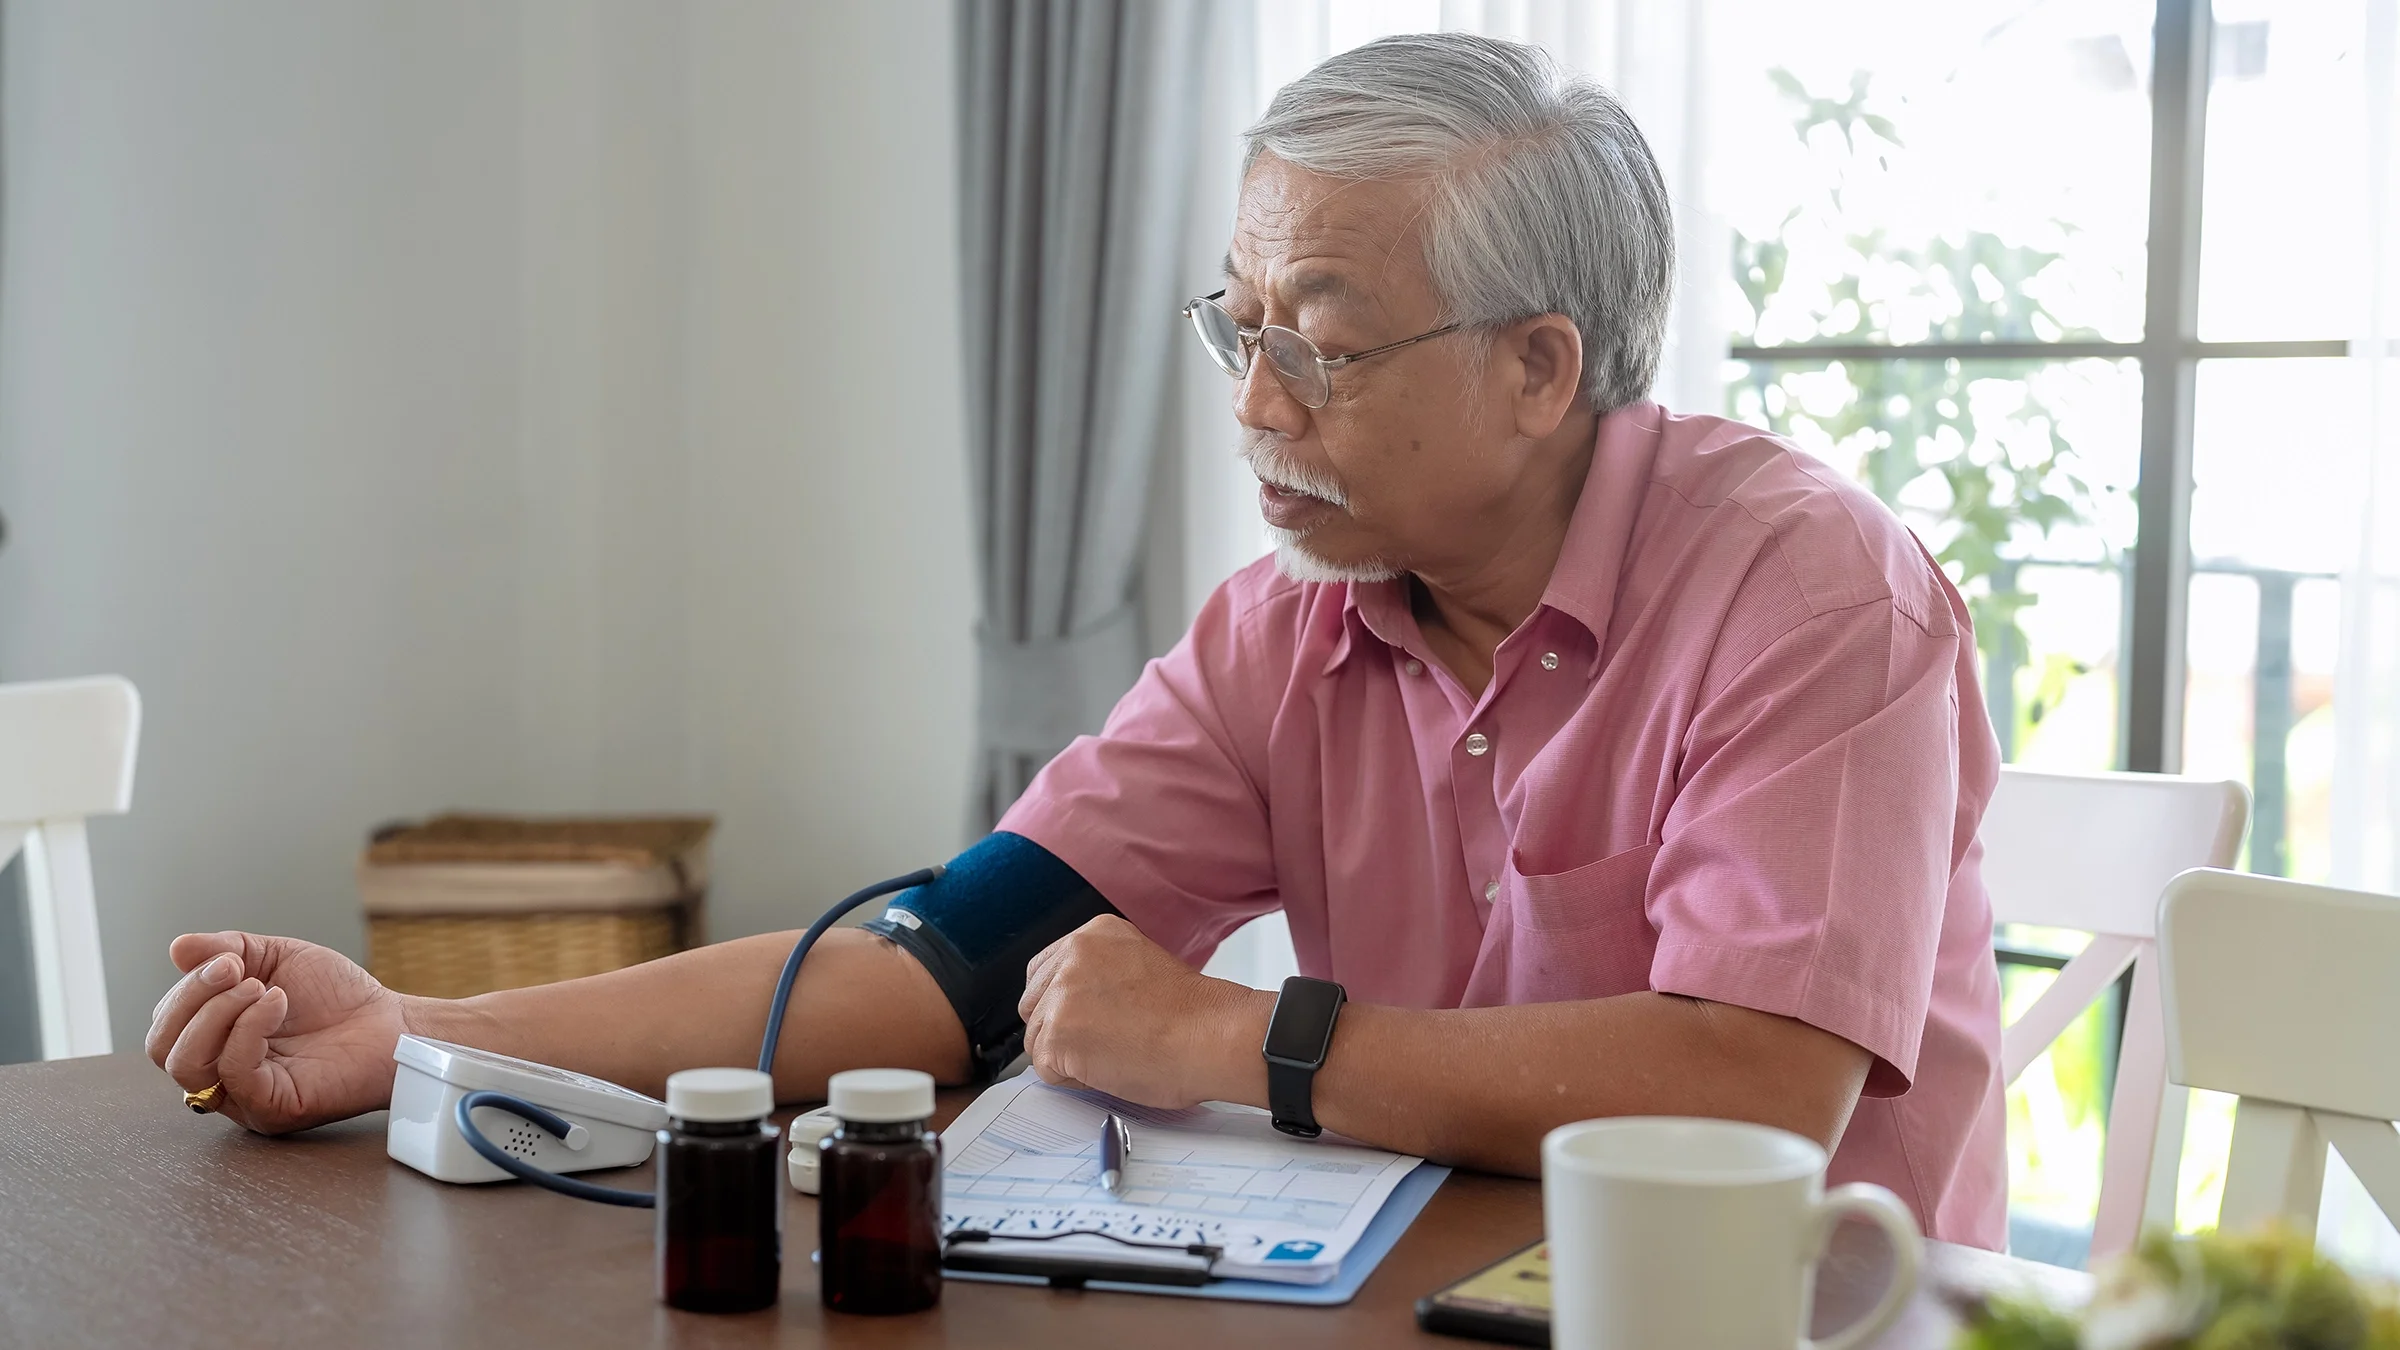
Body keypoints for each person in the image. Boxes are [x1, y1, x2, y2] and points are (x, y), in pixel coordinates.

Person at [145, 32, 2006, 1248]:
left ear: (1540, 367)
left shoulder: (1808, 593)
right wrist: (424, 1034)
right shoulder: (1288, 627)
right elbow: (940, 964)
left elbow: (1755, 1089)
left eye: (1320, 342)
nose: (1256, 401)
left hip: (1802, 1307)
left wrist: (1252, 1040)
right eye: (1239, 326)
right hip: (1413, 1285)